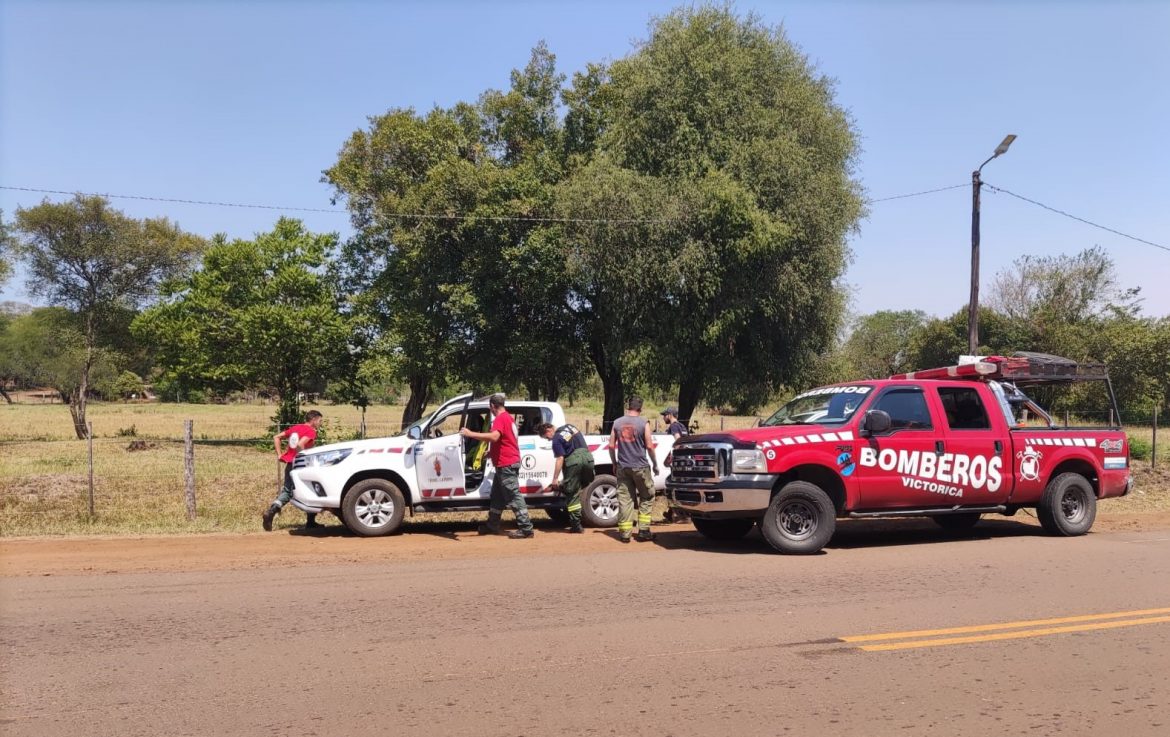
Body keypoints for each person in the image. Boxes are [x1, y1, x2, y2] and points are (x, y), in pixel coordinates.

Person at [460, 393, 534, 539]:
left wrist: (470, 433)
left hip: (506, 464)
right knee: (497, 497)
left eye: (490, 408)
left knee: (513, 496)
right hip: (505, 463)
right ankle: (492, 525)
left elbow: (494, 437)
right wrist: (492, 452)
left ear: (492, 406)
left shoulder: (500, 419)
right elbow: (504, 440)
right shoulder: (508, 418)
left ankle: (526, 528)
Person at [262, 410, 324, 531]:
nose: (320, 424)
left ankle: (272, 511)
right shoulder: (311, 431)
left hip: (290, 463)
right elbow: (301, 444)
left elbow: (276, 437)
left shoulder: (295, 428)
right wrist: (302, 457)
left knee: (287, 490)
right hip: (302, 464)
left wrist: (279, 455)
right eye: (320, 421)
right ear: (314, 420)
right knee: (311, 489)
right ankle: (310, 522)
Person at [610, 396, 659, 543]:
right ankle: (643, 531)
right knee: (647, 496)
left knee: (625, 500)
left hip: (623, 467)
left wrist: (614, 463)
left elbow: (611, 445)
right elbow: (649, 446)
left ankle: (625, 534)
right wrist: (655, 464)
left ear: (628, 407)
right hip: (640, 467)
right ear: (640, 408)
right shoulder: (644, 423)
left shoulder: (617, 423)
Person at [537, 422, 595, 533]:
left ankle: (576, 525)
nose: (549, 440)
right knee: (582, 484)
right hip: (588, 458)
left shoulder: (556, 439)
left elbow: (560, 458)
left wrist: (554, 479)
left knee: (572, 492)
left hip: (574, 461)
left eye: (547, 438)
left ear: (548, 431)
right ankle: (564, 485)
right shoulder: (571, 426)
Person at [660, 406, 690, 523]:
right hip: (686, 461)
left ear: (670, 415)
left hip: (678, 463)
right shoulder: (682, 426)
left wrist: (672, 457)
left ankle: (683, 516)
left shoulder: (673, 427)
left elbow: (677, 441)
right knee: (680, 488)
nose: (663, 417)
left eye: (664, 415)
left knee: (673, 488)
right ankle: (672, 513)